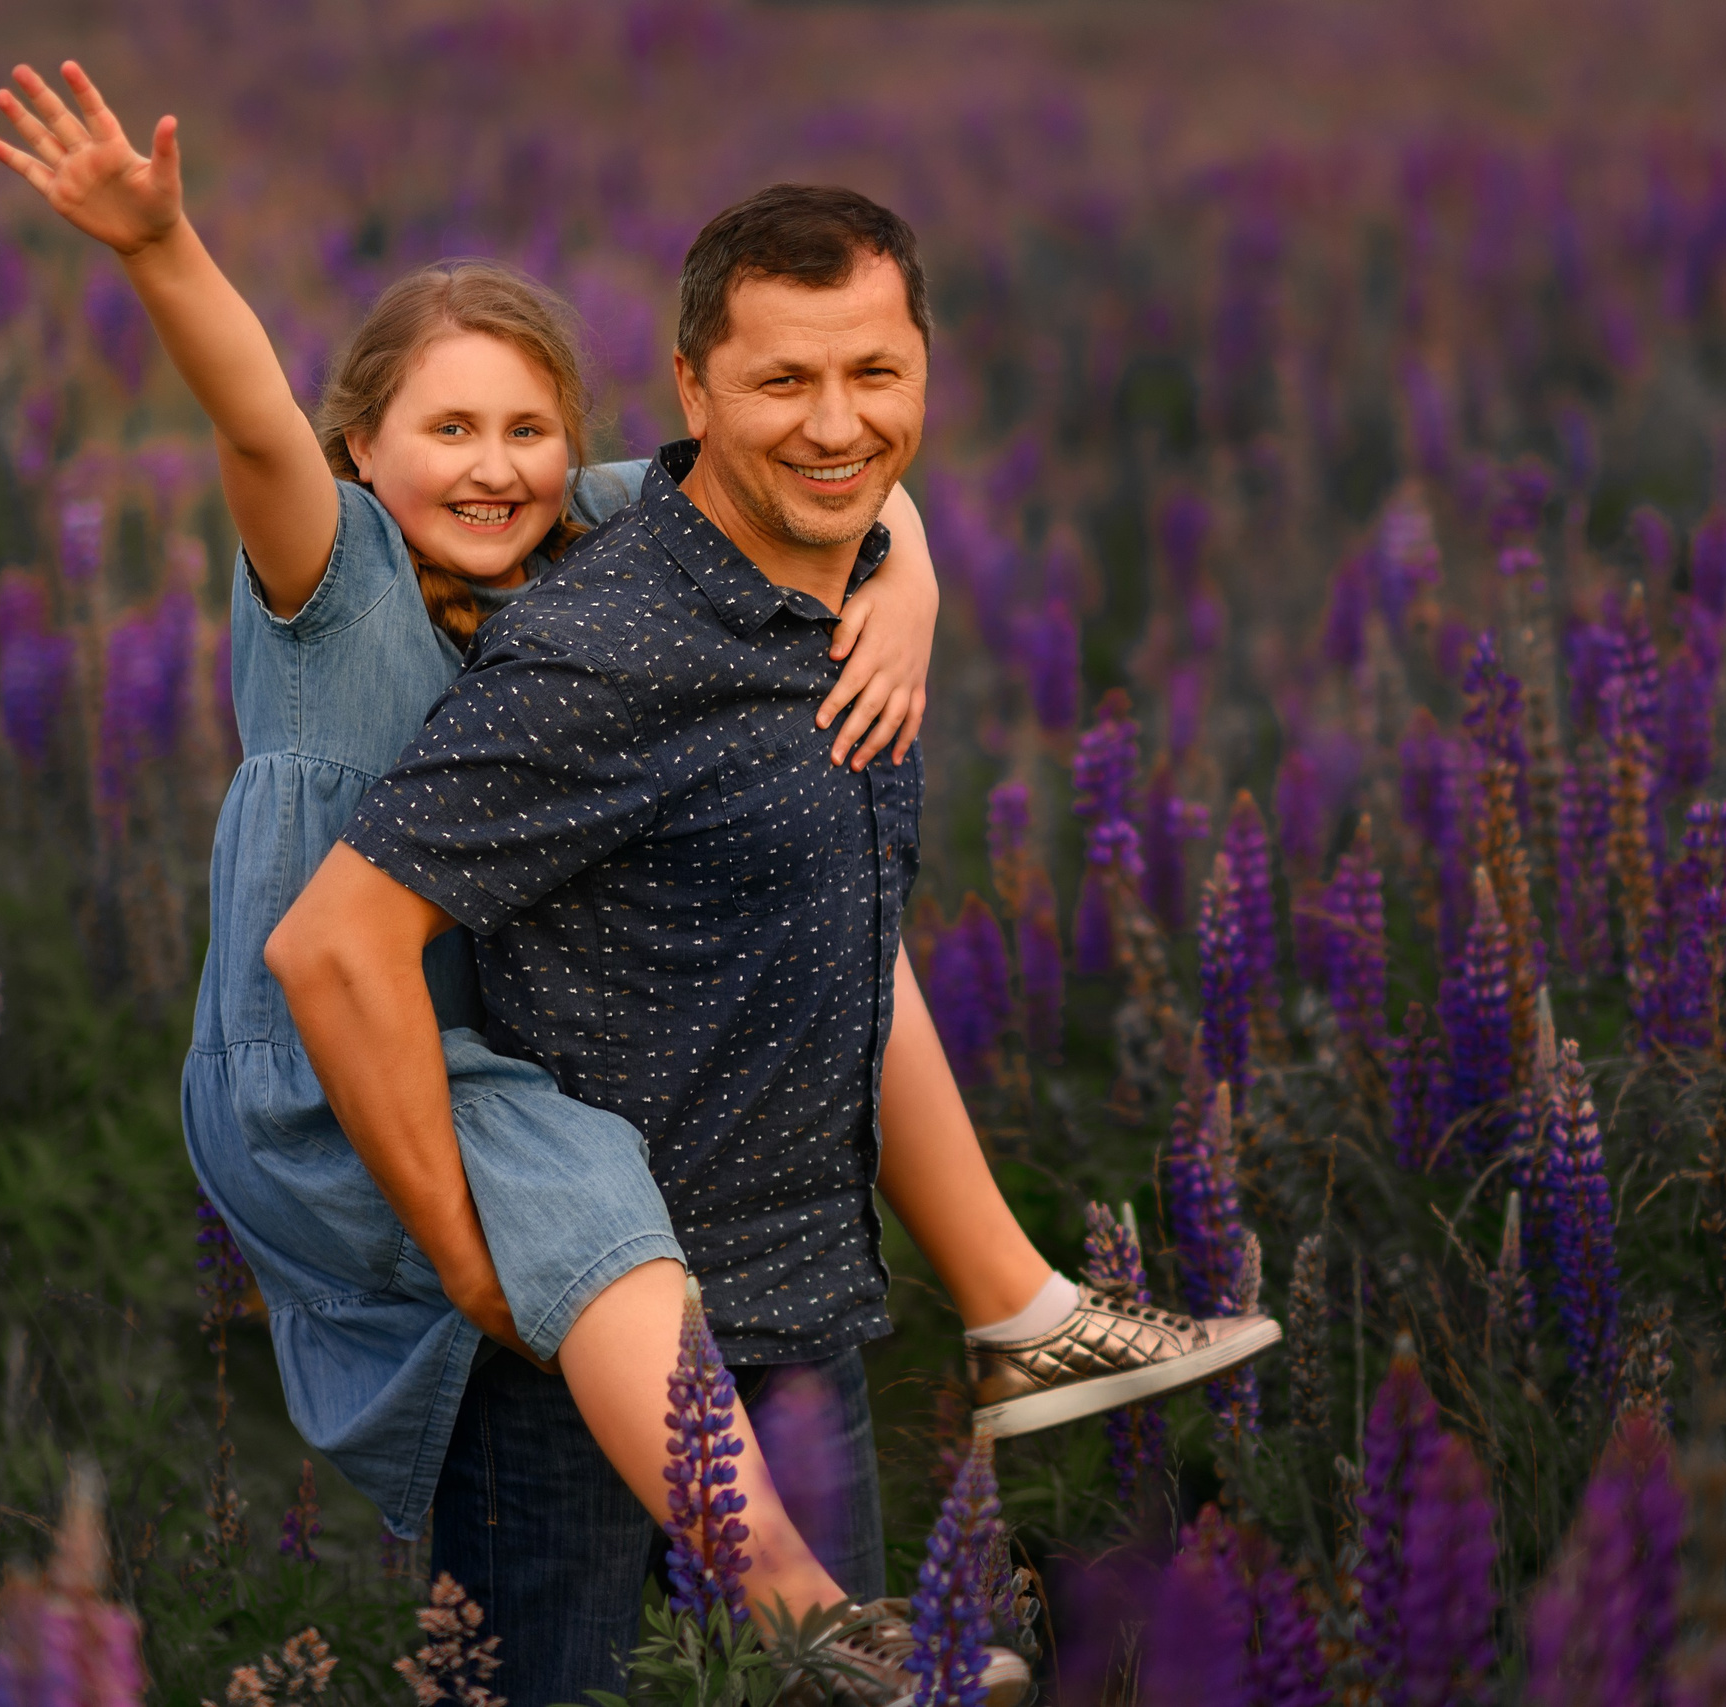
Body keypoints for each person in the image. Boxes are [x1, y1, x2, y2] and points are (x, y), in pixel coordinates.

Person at [264, 169, 1281, 1701]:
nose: (837, 422)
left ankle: (1026, 1307)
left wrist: (907, 560)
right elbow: (335, 947)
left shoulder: (855, 584)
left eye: (876, 372)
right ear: (692, 387)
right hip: (584, 1367)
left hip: (802, 1328)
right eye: (784, 382)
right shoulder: (607, 650)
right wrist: (475, 1269)